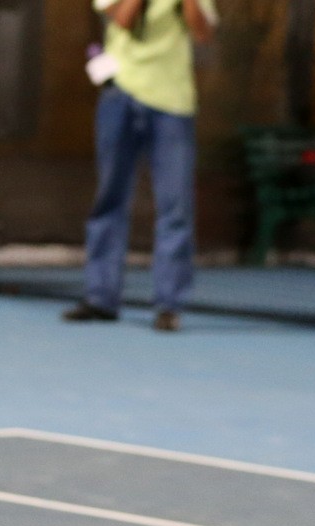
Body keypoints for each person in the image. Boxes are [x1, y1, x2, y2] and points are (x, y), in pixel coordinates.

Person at [65, 0, 217, 334]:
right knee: (110, 198)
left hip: (173, 103)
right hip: (121, 95)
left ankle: (169, 304)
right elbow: (122, 19)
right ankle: (101, 297)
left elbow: (203, 33)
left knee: (175, 205)